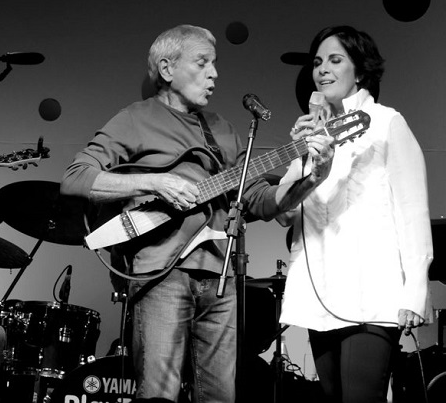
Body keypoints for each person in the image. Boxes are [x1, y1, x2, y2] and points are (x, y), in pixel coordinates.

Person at [60, 24, 335, 403]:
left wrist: (312, 177)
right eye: (202, 62)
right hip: (161, 273)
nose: (214, 73)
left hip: (220, 276)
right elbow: (76, 178)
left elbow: (260, 200)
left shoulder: (222, 129)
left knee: (220, 395)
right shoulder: (134, 119)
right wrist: (154, 184)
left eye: (215, 63)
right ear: (167, 69)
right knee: (159, 392)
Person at [277, 25, 433, 403]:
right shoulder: (312, 133)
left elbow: (412, 211)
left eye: (335, 60)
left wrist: (415, 290)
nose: (322, 70)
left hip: (372, 288)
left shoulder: (386, 122)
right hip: (321, 289)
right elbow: (284, 213)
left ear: (360, 71)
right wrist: (304, 157)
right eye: (317, 63)